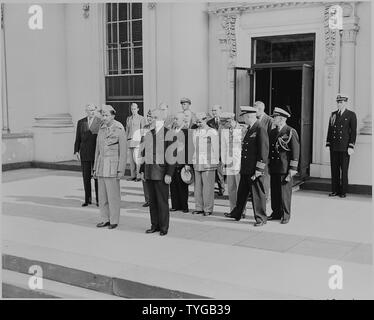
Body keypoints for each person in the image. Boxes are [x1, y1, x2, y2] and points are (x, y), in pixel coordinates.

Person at [224, 106, 269, 227]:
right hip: (246, 168)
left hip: (254, 169)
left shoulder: (260, 128)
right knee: (242, 193)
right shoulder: (250, 128)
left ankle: (260, 217)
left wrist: (259, 169)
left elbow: (263, 151)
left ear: (249, 116)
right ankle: (237, 213)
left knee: (257, 194)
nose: (243, 119)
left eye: (244, 116)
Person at [139, 108, 175, 236]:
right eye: (150, 117)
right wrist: (142, 170)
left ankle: (164, 227)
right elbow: (144, 154)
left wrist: (169, 174)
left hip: (161, 173)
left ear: (161, 119)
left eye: (154, 117)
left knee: (162, 201)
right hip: (149, 172)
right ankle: (154, 225)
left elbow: (172, 156)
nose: (151, 119)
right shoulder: (149, 133)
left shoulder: (168, 134)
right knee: (152, 201)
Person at [93, 105, 127, 229]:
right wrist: (95, 168)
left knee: (113, 196)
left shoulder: (119, 129)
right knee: (102, 196)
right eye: (103, 115)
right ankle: (104, 218)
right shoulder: (101, 129)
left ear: (113, 115)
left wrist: (120, 169)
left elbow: (123, 152)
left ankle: (114, 220)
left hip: (113, 167)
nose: (104, 117)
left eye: (107, 115)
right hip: (102, 167)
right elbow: (97, 150)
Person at [268, 107, 300, 224]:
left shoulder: (290, 131)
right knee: (275, 191)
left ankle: (286, 214)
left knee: (285, 193)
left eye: (275, 117)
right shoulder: (272, 132)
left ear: (281, 119)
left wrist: (292, 169)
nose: (273, 119)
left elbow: (295, 152)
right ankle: (276, 212)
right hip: (274, 166)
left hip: (284, 167)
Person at [326, 93, 357, 198]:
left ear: (346, 103)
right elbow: (330, 129)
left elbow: (353, 132)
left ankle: (343, 191)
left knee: (344, 170)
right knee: (334, 170)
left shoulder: (351, 115)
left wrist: (351, 146)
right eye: (338, 102)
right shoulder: (333, 114)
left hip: (344, 147)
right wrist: (328, 142)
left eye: (341, 102)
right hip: (334, 146)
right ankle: (335, 190)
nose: (339, 104)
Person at [192, 112, 219, 216]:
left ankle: (207, 208)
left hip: (208, 162)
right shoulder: (195, 132)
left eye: (200, 121)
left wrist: (215, 162)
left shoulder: (212, 132)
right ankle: (199, 207)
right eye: (197, 122)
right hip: (197, 161)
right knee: (197, 187)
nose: (198, 124)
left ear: (205, 120)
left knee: (207, 187)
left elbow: (216, 148)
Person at [74, 103, 101, 207]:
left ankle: (99, 199)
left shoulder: (99, 121)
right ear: (86, 111)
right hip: (84, 153)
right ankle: (87, 199)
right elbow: (78, 138)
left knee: (96, 177)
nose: (92, 112)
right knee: (86, 177)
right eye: (90, 110)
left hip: (95, 153)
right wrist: (76, 151)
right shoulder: (81, 122)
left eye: (93, 110)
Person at [220, 112, 247, 218]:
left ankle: (242, 210)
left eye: (225, 123)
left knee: (240, 188)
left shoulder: (243, 129)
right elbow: (224, 147)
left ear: (230, 121)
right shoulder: (225, 131)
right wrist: (223, 162)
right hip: (229, 163)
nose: (223, 126)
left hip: (240, 163)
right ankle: (233, 210)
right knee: (231, 188)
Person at [169, 112, 191, 213]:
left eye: (177, 119)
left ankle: (184, 206)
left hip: (182, 162)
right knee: (173, 185)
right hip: (173, 162)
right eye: (174, 118)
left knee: (182, 185)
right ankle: (175, 205)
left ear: (183, 120)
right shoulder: (172, 131)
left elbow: (189, 148)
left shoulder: (186, 131)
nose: (175, 120)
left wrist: (187, 163)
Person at [254, 101, 273, 201]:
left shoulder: (269, 120)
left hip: (264, 154)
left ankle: (265, 196)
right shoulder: (254, 120)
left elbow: (271, 138)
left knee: (264, 175)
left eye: (255, 110)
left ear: (261, 110)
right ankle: (256, 195)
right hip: (255, 153)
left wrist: (268, 155)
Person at [207, 105, 225, 196]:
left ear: (220, 110)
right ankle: (220, 189)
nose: (214, 112)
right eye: (212, 110)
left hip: (223, 149)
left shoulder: (225, 121)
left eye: (215, 110)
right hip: (214, 150)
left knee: (222, 170)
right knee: (216, 170)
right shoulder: (209, 122)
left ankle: (223, 188)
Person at [125, 103, 145, 181]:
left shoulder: (141, 118)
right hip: (130, 141)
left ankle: (138, 176)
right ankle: (133, 175)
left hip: (137, 141)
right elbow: (127, 130)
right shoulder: (129, 118)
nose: (133, 110)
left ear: (137, 109)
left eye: (134, 109)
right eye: (132, 109)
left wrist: (142, 141)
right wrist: (126, 140)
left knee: (137, 159)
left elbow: (143, 130)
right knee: (131, 160)